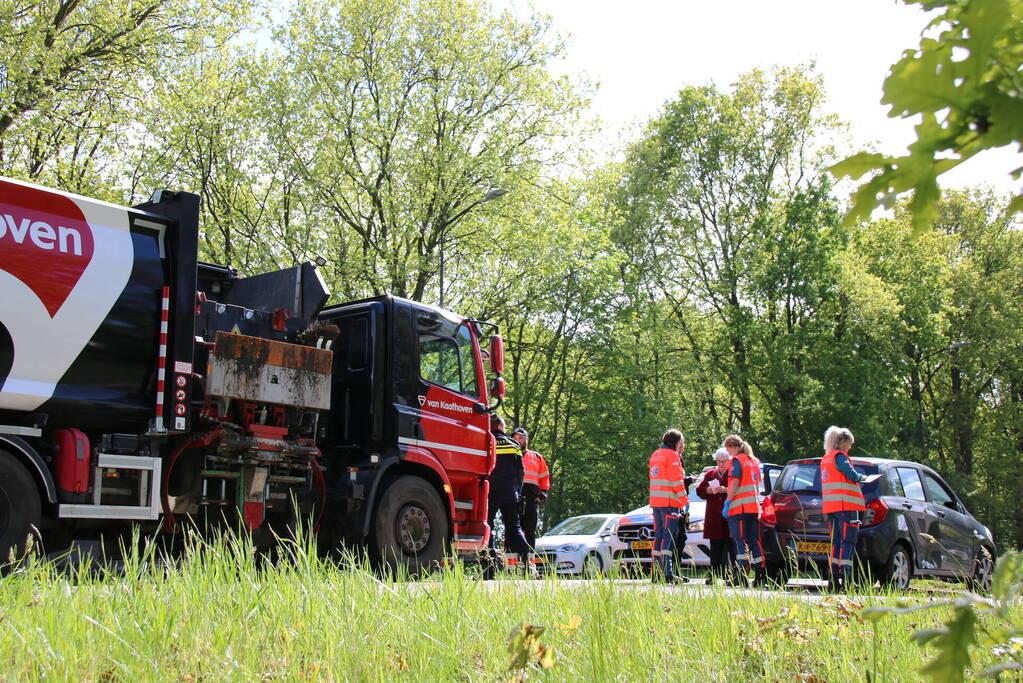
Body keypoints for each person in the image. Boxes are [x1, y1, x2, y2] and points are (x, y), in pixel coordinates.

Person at [482, 414, 532, 578]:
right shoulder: (514, 444)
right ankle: (527, 564)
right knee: (514, 529)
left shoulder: (486, 439)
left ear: (491, 426)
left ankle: (489, 570)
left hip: (491, 492)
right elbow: (521, 470)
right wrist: (518, 490)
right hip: (511, 493)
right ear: (501, 427)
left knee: (487, 528)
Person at [820, 426, 866, 591]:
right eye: (849, 444)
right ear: (843, 442)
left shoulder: (826, 458)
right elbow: (852, 475)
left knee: (835, 543)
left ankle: (833, 580)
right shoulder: (840, 457)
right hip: (846, 506)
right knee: (848, 542)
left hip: (831, 507)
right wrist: (864, 478)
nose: (850, 447)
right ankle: (846, 580)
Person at [723, 435, 768, 587]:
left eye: (728, 449)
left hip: (739, 507)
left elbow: (735, 482)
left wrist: (728, 501)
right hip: (753, 508)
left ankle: (741, 575)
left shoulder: (737, 461)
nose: (728, 452)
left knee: (739, 541)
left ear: (732, 447)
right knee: (754, 541)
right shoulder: (754, 462)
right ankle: (760, 575)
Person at [648, 429, 689, 583]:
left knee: (659, 537)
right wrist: (685, 502)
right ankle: (668, 573)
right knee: (669, 537)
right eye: (682, 442)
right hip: (670, 502)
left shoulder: (655, 455)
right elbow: (677, 481)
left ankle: (656, 573)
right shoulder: (672, 456)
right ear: (676, 442)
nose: (683, 445)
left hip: (656, 502)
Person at [696, 448, 736, 580]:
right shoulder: (710, 474)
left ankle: (734, 574)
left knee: (732, 546)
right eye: (719, 462)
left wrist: (724, 490)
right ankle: (714, 574)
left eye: (724, 461)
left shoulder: (733, 474)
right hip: (714, 516)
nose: (721, 464)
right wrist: (706, 490)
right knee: (715, 547)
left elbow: (739, 490)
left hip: (729, 514)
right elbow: (699, 489)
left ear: (728, 461)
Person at [513, 427, 550, 555]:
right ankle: (512, 564)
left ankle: (530, 563)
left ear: (526, 439)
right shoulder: (509, 455)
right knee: (512, 530)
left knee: (530, 531)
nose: (518, 440)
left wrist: (542, 494)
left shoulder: (537, 457)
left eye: (521, 438)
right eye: (515, 438)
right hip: (513, 498)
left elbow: (544, 477)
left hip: (531, 499)